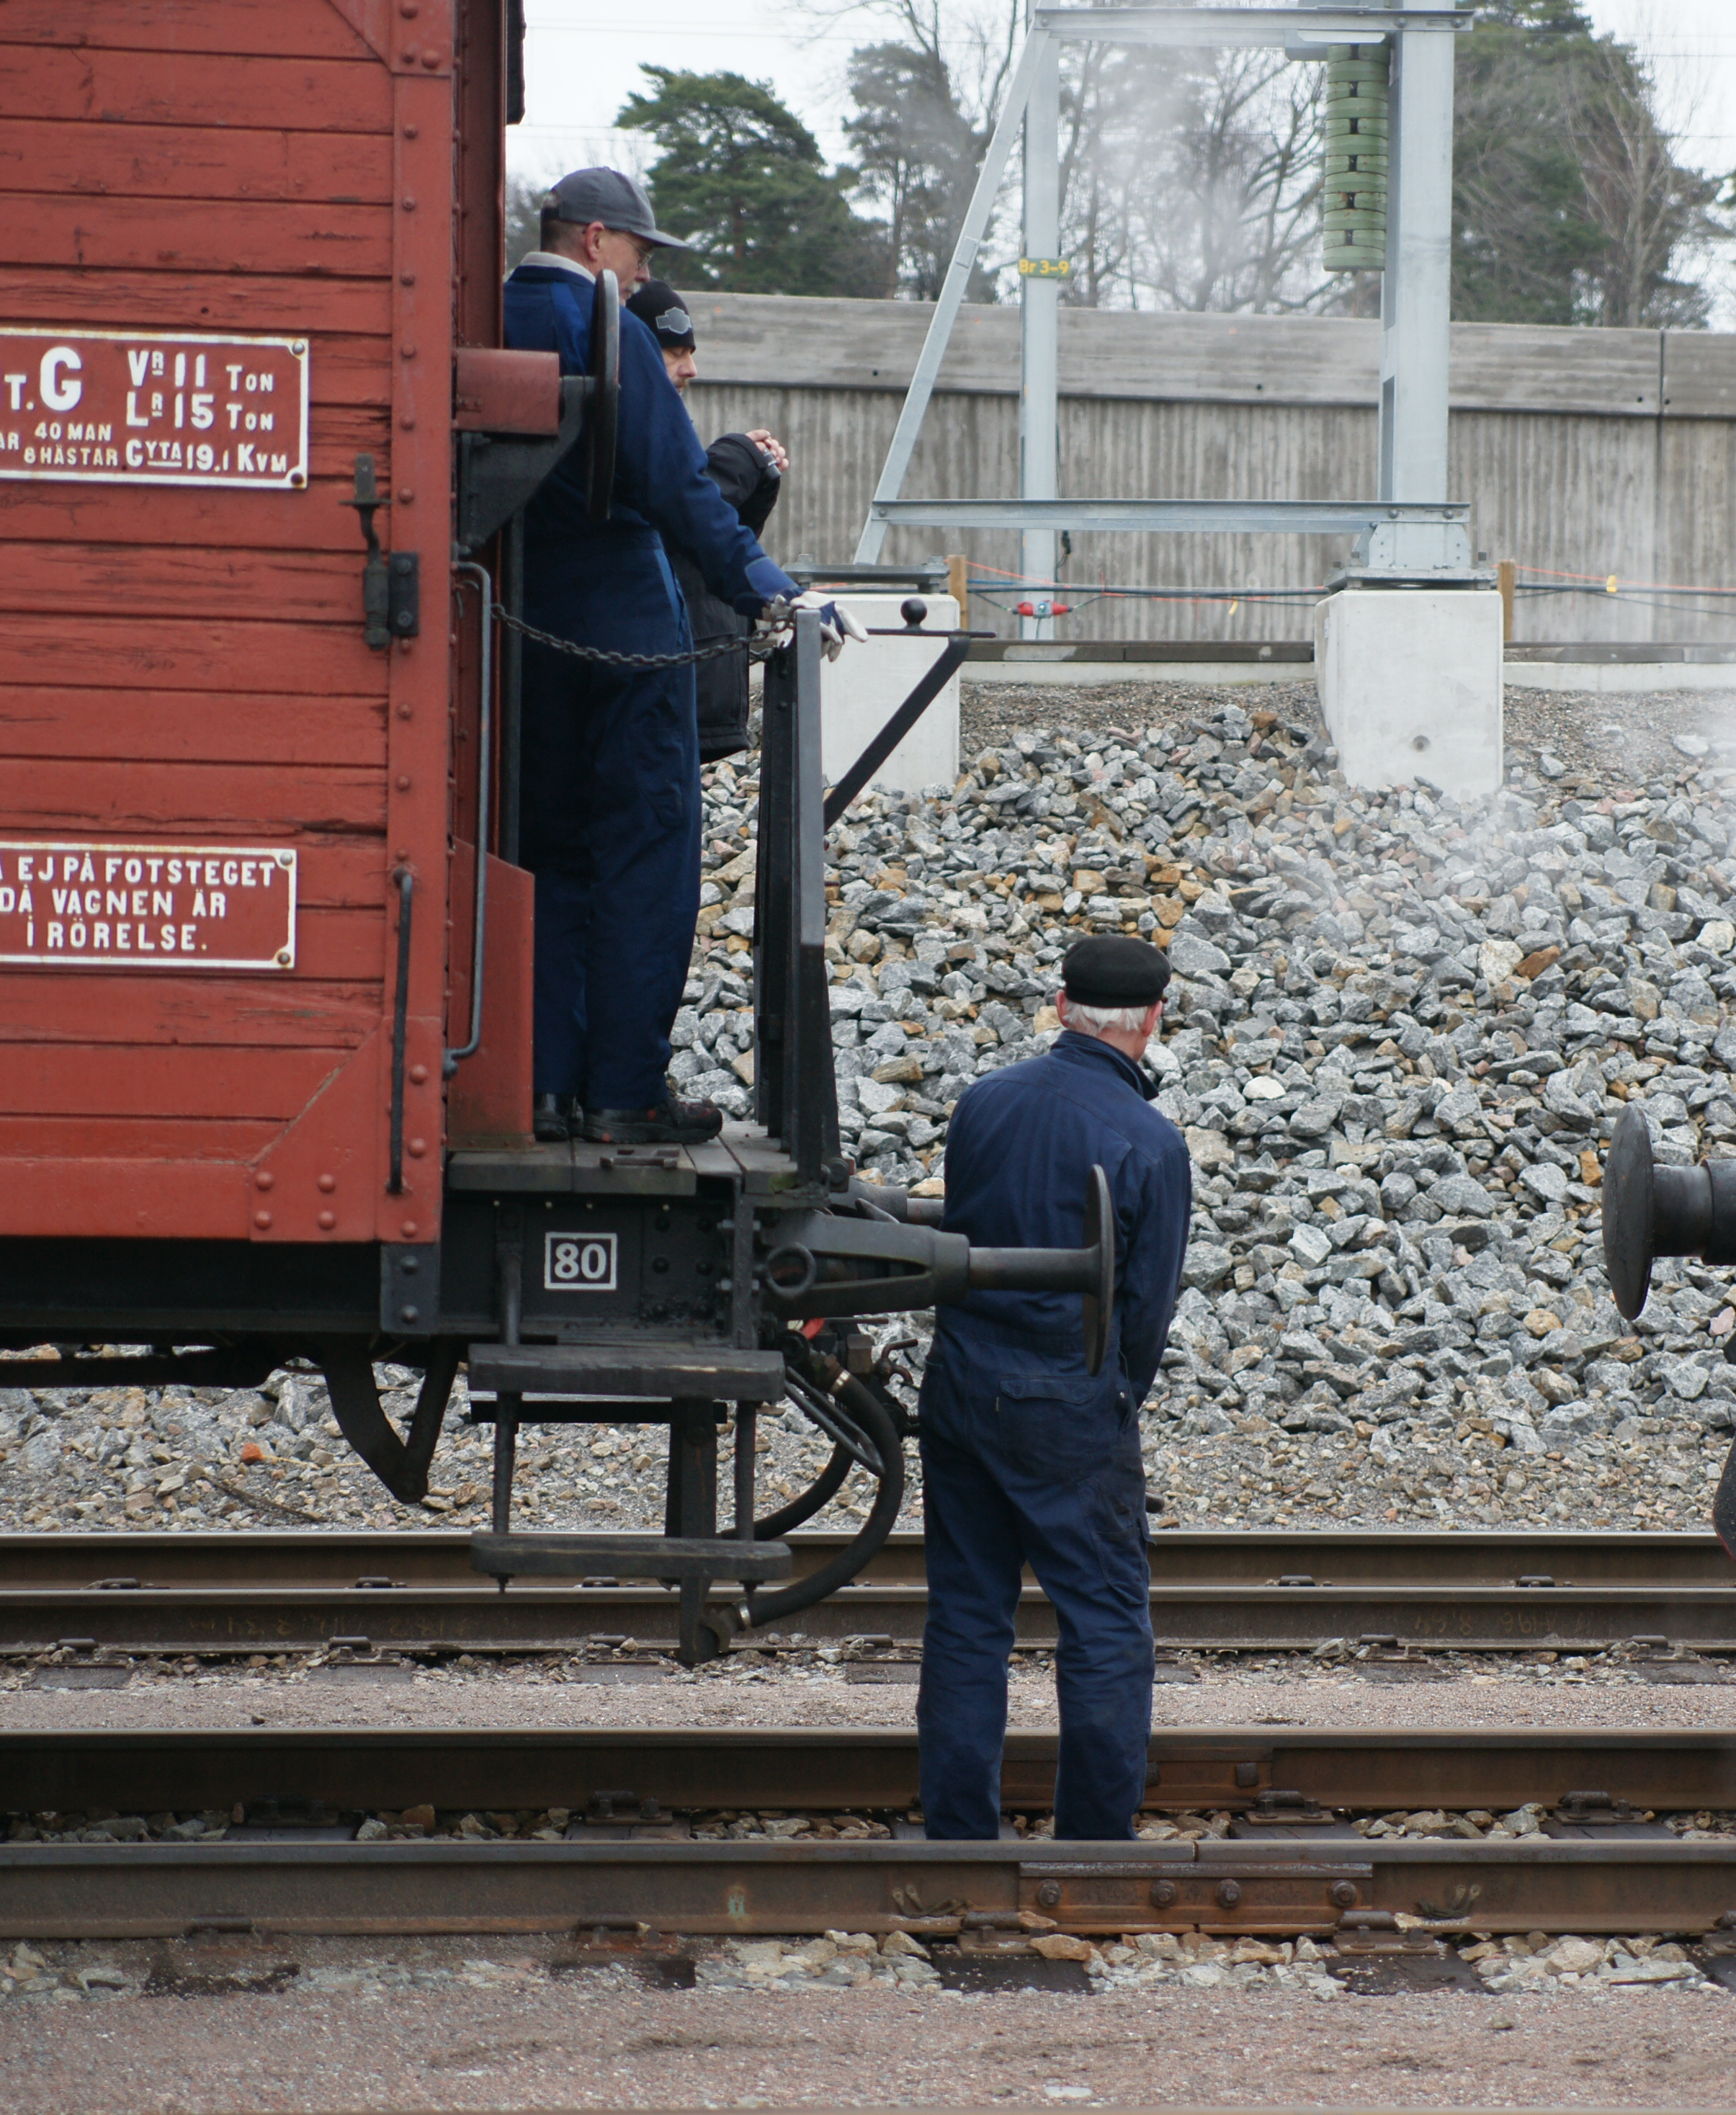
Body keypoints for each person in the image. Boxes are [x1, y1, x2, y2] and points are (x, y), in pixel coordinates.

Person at [503, 169, 850, 1145]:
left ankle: (541, 1085)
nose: (643, 272)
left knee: (546, 863)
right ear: (596, 240)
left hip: (524, 633)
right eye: (642, 254)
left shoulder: (489, 315)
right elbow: (680, 489)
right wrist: (773, 590)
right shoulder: (606, 327)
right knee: (646, 864)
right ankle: (623, 1092)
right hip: (628, 635)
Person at [916, 936, 1195, 1842]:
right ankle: (1092, 1842)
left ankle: (958, 1837)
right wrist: (1111, 1398)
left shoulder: (982, 1104)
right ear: (1153, 1019)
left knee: (966, 1617)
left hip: (961, 1385)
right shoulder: (1152, 1141)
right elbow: (1142, 1311)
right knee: (1105, 1620)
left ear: (1059, 1001)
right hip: (1070, 1397)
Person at [625, 277, 787, 766]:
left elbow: (708, 536)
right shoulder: (628, 430)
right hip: (655, 691)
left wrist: (756, 476)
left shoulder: (657, 424)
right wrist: (740, 458)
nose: (691, 369)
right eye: (675, 352)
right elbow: (672, 513)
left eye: (690, 352)